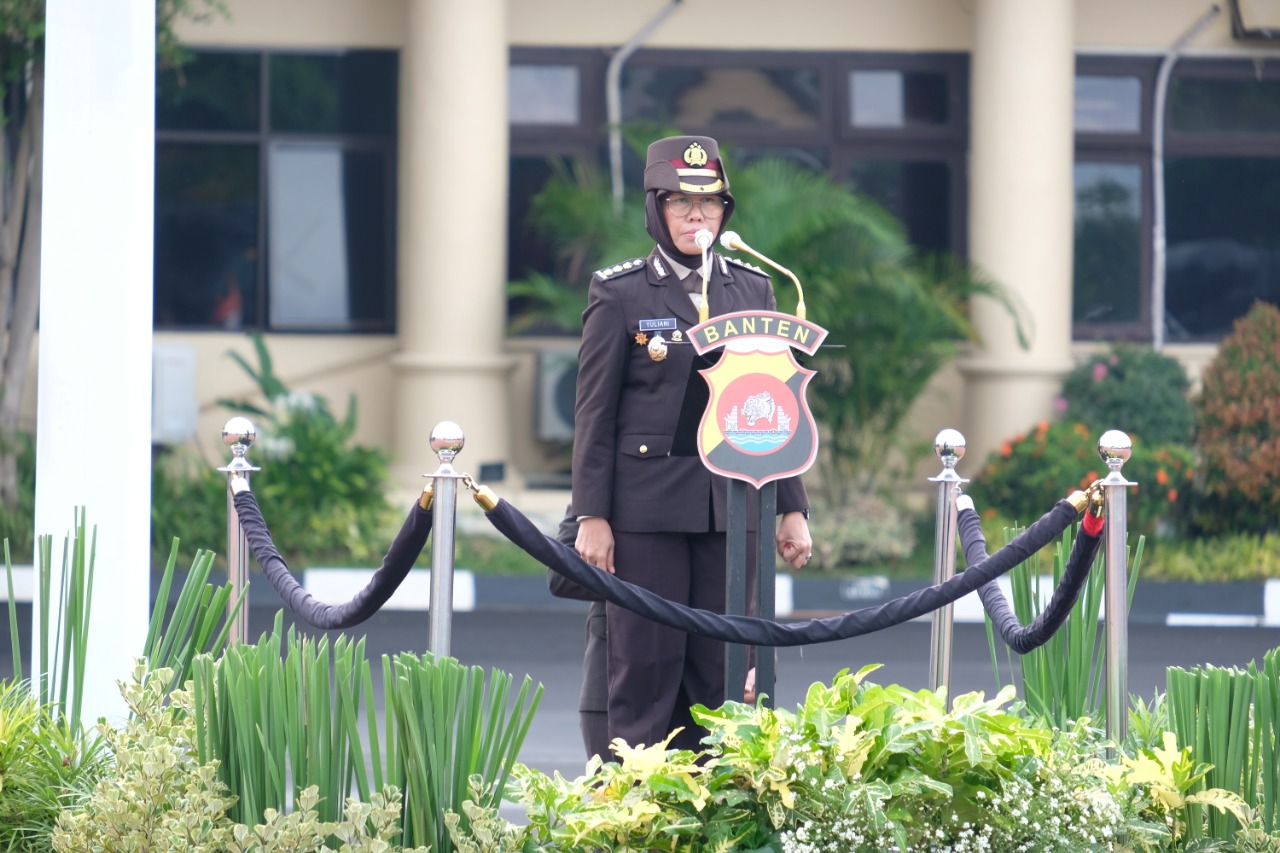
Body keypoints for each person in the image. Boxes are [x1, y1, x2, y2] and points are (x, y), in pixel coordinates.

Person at [572, 135, 812, 755]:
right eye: (681, 204)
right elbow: (594, 413)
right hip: (646, 513)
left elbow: (775, 402)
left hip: (735, 509)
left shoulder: (753, 288)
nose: (697, 218)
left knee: (727, 670)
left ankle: (722, 816)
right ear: (657, 210)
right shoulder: (620, 292)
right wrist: (592, 515)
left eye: (708, 205)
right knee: (645, 666)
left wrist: (792, 507)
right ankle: (636, 814)